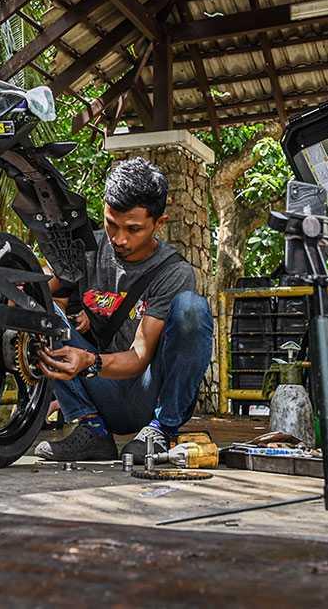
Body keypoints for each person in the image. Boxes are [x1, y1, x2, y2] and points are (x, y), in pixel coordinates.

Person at [35, 157, 213, 464]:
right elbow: (34, 289)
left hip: (145, 388)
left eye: (133, 229)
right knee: (37, 308)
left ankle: (161, 430)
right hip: (99, 390)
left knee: (192, 310)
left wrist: (89, 361)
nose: (119, 239)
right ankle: (91, 429)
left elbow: (139, 357)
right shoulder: (85, 249)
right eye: (111, 224)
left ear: (159, 223)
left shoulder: (173, 272)